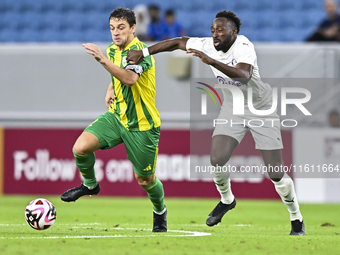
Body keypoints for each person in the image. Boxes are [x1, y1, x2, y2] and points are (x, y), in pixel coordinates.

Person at [127, 10, 305, 235]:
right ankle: (227, 200)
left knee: (275, 172)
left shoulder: (244, 46)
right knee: (217, 159)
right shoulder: (207, 45)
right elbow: (179, 42)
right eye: (212, 31)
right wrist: (144, 52)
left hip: (262, 110)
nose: (215, 35)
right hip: (233, 108)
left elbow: (244, 75)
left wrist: (211, 61)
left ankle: (296, 218)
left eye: (220, 30)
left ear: (234, 31)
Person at [61, 8, 167, 233]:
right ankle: (90, 185)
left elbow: (129, 78)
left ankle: (159, 212)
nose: (115, 33)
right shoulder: (113, 50)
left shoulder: (140, 51)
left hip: (142, 125)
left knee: (144, 180)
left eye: (121, 28)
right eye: (112, 28)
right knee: (80, 148)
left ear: (132, 28)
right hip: (117, 115)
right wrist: (110, 87)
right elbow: (118, 74)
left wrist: (101, 60)